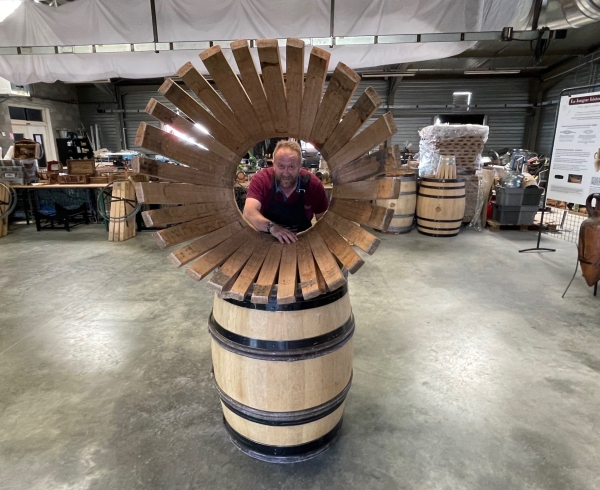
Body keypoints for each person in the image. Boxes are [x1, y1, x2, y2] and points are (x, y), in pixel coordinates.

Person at [244, 140, 329, 243]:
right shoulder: (261, 180)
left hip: (301, 242)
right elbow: (249, 212)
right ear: (273, 164)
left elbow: (323, 222)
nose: (286, 173)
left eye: (291, 167)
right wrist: (272, 227)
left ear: (300, 165)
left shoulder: (313, 185)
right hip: (267, 241)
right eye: (281, 166)